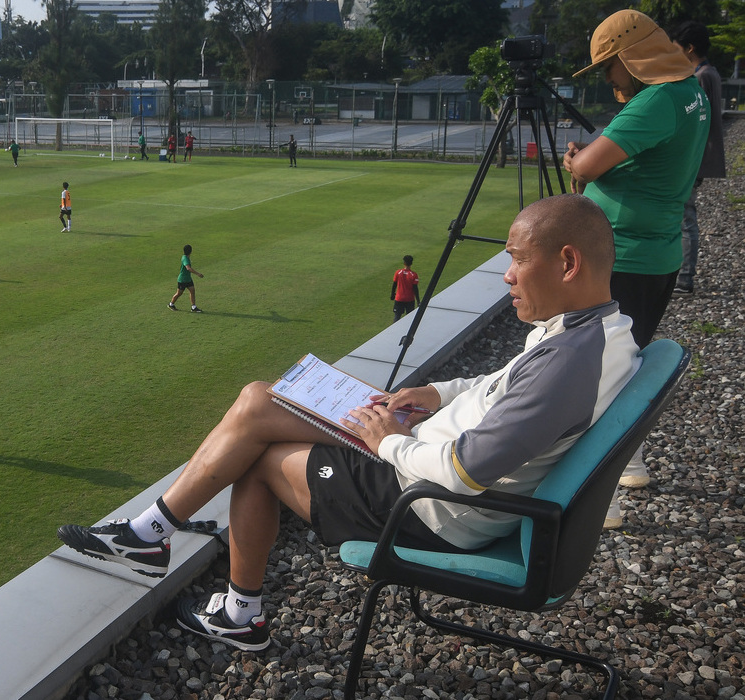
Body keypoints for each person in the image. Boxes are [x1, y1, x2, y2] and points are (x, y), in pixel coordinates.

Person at [59, 195, 639, 652]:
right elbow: (494, 389)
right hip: (420, 454)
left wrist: (387, 442)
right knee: (261, 400)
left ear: (567, 262)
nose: (507, 275)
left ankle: (202, 580)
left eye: (516, 258)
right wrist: (431, 393)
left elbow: (466, 471)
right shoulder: (594, 331)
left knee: (258, 447)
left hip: (428, 503)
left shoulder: (570, 360)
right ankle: (165, 546)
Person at [563, 9, 708, 525]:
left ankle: (594, 494)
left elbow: (586, 166)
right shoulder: (691, 92)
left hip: (624, 253)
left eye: (609, 65)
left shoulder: (656, 101)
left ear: (631, 56)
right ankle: (628, 464)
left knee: (596, 374)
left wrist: (577, 161)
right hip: (658, 250)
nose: (607, 77)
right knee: (624, 363)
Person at [669, 20, 727, 295]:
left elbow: (697, 120)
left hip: (693, 157)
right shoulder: (710, 73)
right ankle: (682, 274)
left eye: (676, 48)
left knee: (684, 217)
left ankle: (684, 277)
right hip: (699, 156)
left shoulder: (701, 76)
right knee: (684, 216)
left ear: (689, 48)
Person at [169, 244, 204, 313]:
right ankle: (171, 304)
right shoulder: (185, 259)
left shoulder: (185, 257)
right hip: (182, 279)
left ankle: (193, 307)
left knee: (192, 290)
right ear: (191, 251)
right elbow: (188, 268)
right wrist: (198, 274)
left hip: (188, 279)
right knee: (179, 293)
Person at [391, 254, 420, 322]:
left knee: (397, 317)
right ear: (411, 263)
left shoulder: (398, 272)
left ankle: (395, 331)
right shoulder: (414, 275)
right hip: (410, 299)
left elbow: (394, 284)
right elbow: (415, 288)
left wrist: (392, 294)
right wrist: (418, 301)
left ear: (404, 263)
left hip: (399, 298)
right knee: (409, 319)